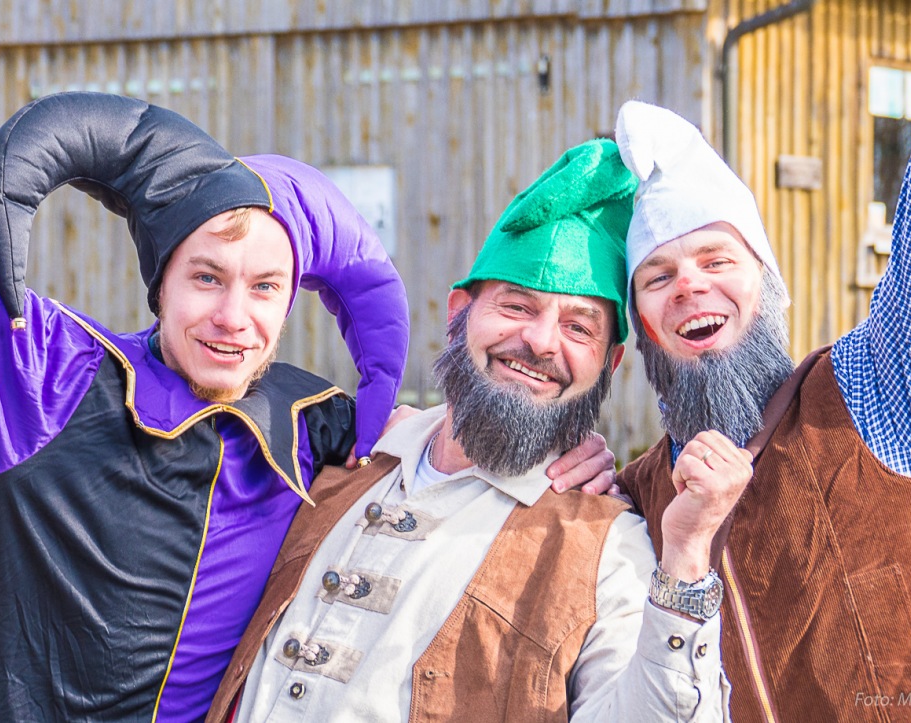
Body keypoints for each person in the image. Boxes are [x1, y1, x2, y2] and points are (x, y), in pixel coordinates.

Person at [0, 95, 613, 723]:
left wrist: (573, 450)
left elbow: (457, 434)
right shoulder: (40, 376)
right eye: (206, 277)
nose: (233, 318)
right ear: (161, 279)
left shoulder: (315, 426)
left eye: (264, 286)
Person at [202, 137, 741, 722]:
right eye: (516, 306)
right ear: (460, 312)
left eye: (579, 328)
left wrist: (686, 558)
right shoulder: (331, 455)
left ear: (607, 366)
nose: (540, 341)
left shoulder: (608, 548)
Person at [612, 0, 911, 719]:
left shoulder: (875, 390)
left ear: (766, 281)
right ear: (641, 324)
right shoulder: (635, 500)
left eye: (715, 258)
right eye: (658, 276)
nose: (690, 285)